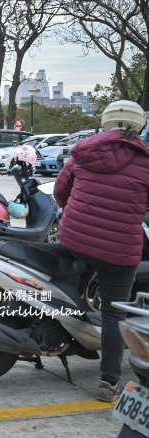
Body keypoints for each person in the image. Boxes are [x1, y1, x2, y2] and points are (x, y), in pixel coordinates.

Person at [54, 100, 149, 402]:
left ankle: (59, 339)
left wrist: (74, 211)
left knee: (66, 290)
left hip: (75, 239)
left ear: (106, 122)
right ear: (139, 126)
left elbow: (60, 192)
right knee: (113, 313)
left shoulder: (83, 152)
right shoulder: (147, 162)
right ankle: (109, 382)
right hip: (120, 251)